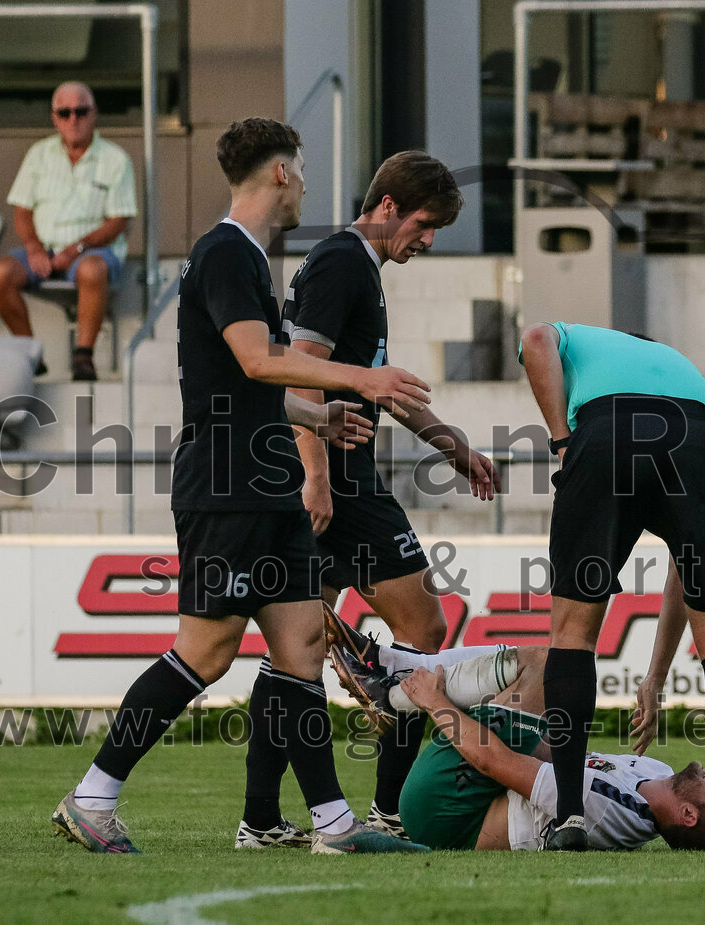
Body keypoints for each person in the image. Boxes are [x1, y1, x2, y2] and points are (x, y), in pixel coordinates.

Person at [51, 117, 432, 856]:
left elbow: (246, 384)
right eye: (304, 171)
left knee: (301, 642)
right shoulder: (226, 252)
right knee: (206, 651)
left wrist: (316, 414)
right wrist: (360, 377)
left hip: (266, 485)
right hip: (225, 484)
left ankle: (332, 825)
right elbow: (258, 361)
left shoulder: (247, 258)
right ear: (281, 173)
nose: (308, 187)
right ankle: (93, 795)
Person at [237, 150, 500, 843]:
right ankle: (388, 807)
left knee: (293, 649)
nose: (429, 239)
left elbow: (373, 383)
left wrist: (453, 445)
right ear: (387, 206)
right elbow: (303, 375)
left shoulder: (356, 268)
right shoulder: (343, 262)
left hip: (330, 472)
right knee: (425, 629)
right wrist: (317, 474)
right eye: (424, 223)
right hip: (336, 477)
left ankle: (260, 818)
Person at [518, 322, 705, 853]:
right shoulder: (672, 361)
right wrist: (655, 677)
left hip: (608, 433)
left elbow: (535, 339)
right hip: (701, 435)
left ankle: (572, 818)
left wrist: (562, 440)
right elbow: (684, 567)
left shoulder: (570, 337)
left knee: (573, 633)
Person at [323, 614, 705, 852]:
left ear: (688, 816)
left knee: (550, 664)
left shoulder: (607, 809)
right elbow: (551, 752)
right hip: (476, 789)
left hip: (445, 811)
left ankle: (392, 686)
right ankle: (394, 673)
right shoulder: (653, 768)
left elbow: (497, 761)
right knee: (550, 670)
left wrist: (437, 704)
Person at [0, 82, 137, 380]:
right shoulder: (38, 154)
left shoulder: (116, 159)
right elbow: (22, 211)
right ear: (54, 117)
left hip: (91, 251)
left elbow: (119, 220)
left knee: (92, 270)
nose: (73, 119)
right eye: (65, 112)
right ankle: (30, 352)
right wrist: (33, 248)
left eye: (81, 111)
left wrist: (76, 249)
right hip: (43, 249)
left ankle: (83, 356)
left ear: (94, 114)